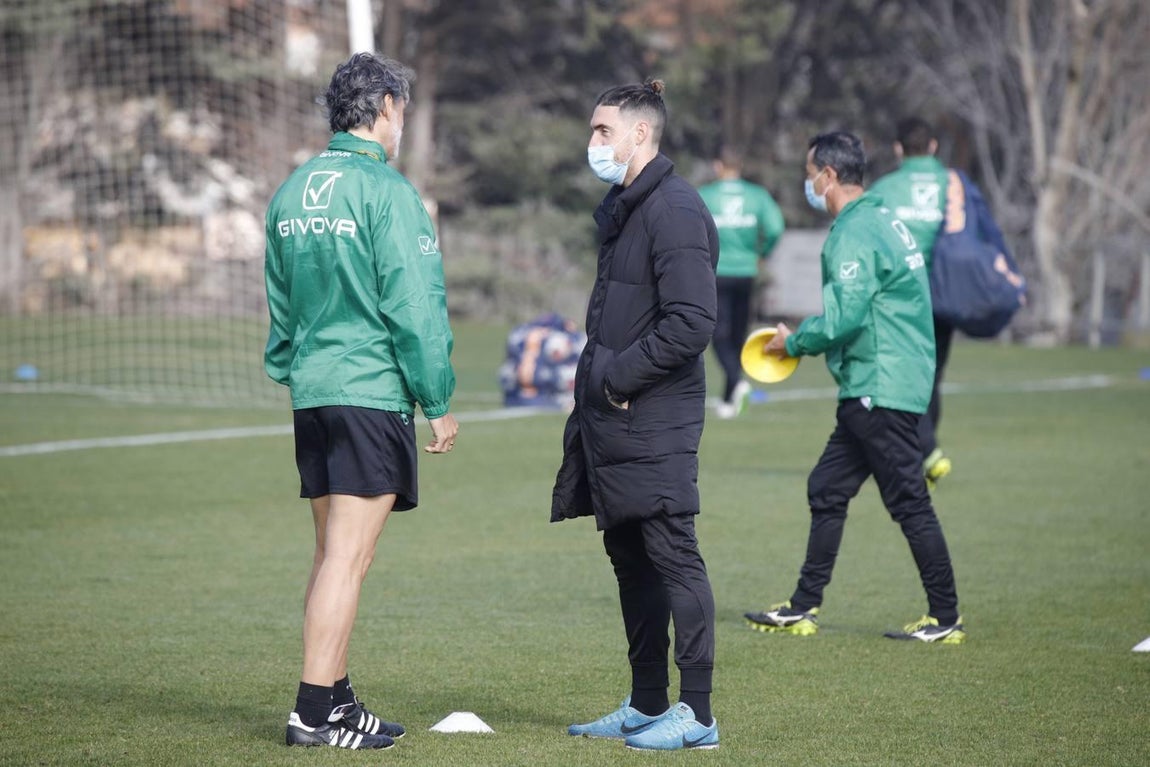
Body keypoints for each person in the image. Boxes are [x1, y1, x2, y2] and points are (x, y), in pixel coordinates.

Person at [264, 52, 459, 750]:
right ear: (382, 106)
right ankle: (312, 713)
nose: (401, 123)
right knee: (347, 559)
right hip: (369, 393)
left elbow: (280, 308)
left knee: (332, 556)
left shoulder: (290, 191)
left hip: (314, 393)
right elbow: (415, 304)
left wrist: (299, 370)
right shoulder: (388, 192)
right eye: (401, 109)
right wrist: (436, 397)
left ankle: (338, 699)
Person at [743, 131, 965, 644]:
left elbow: (844, 318)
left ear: (829, 175)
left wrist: (792, 342)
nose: (807, 183)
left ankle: (946, 617)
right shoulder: (886, 218)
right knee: (827, 487)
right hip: (886, 379)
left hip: (878, 384)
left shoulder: (854, 231)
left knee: (909, 501)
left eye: (809, 174)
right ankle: (803, 606)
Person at [552, 78, 721, 751]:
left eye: (602, 131)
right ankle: (649, 702)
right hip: (613, 417)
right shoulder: (625, 205)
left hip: (652, 414)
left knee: (673, 554)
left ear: (641, 134)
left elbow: (691, 322)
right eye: (592, 130)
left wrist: (616, 377)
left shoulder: (675, 209)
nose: (593, 142)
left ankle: (699, 715)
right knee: (631, 557)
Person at [868, 117, 1013, 489]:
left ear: (898, 148)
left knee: (903, 376)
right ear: (933, 146)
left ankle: (925, 451)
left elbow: (871, 243)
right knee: (933, 376)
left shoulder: (884, 188)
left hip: (899, 298)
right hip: (946, 295)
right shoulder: (955, 184)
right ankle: (923, 452)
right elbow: (984, 231)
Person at [697, 148, 786, 419]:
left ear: (717, 166)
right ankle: (728, 400)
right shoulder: (756, 195)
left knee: (718, 335)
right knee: (737, 334)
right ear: (740, 165)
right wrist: (761, 252)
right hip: (747, 271)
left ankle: (737, 382)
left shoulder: (707, 195)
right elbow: (775, 228)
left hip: (716, 271)